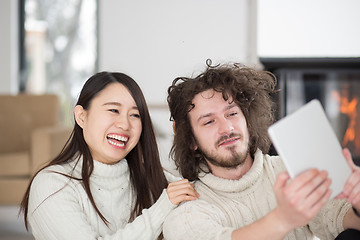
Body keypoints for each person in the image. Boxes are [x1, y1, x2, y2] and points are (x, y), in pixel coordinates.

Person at [162, 60, 360, 240]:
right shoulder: (187, 208)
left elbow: (339, 217)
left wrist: (358, 201)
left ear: (247, 120)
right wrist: (283, 219)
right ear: (191, 140)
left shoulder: (290, 168)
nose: (227, 128)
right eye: (209, 122)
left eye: (232, 113)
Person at [20, 71, 198, 240]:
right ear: (81, 117)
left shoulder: (152, 179)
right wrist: (161, 209)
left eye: (135, 115)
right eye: (113, 110)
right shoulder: (52, 185)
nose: (124, 124)